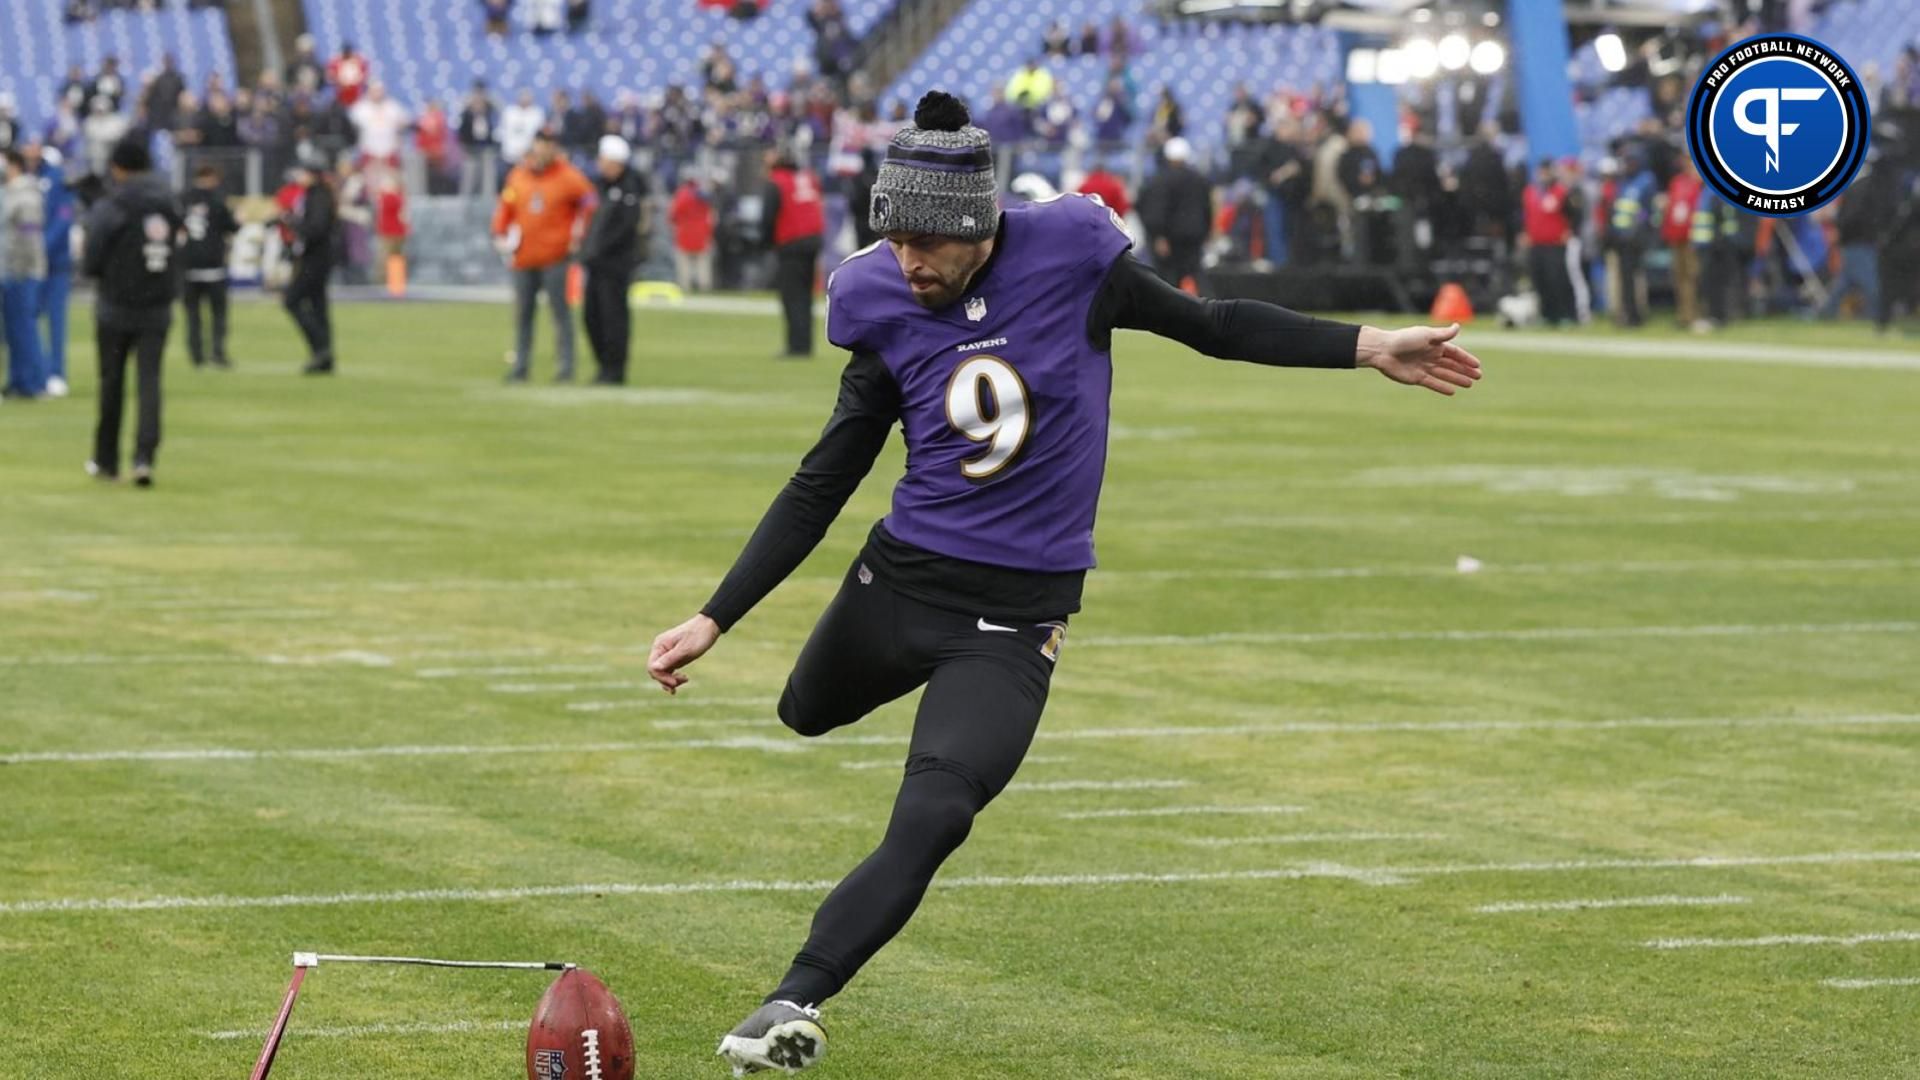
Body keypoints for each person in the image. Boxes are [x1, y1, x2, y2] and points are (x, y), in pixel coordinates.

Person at [642, 90, 1482, 1076]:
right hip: (898, 583)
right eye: (895, 239)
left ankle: (789, 999)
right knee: (804, 712)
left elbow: (1209, 323)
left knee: (938, 811)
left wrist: (1363, 344)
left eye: (929, 243)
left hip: (1013, 617)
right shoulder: (875, 297)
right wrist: (715, 616)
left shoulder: (1076, 254)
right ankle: (819, 708)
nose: (911, 263)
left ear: (981, 226)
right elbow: (824, 478)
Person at [82, 140, 181, 486]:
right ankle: (144, 458)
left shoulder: (115, 204)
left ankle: (106, 459)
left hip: (116, 306)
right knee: (149, 381)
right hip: (157, 306)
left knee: (112, 382)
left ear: (118, 167)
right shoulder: (168, 202)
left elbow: (93, 254)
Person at [491, 129, 594, 382]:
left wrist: (578, 236)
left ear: (554, 149)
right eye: (539, 145)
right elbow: (506, 206)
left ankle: (565, 368)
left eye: (547, 145)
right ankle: (520, 367)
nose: (541, 151)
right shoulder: (518, 175)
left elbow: (590, 203)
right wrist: (500, 232)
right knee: (523, 315)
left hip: (555, 256)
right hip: (523, 256)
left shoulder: (569, 177)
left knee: (560, 314)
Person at [578, 135, 647, 386]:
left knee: (613, 317)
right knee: (591, 316)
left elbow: (625, 227)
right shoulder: (598, 188)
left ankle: (614, 369)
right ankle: (603, 366)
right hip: (595, 263)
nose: (599, 163)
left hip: (615, 264)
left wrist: (599, 248)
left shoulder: (629, 188)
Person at [763, 144, 824, 359]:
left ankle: (796, 346)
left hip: (791, 242)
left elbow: (768, 216)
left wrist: (768, 243)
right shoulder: (808, 177)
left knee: (792, 296)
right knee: (806, 296)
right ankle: (805, 344)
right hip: (813, 239)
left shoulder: (776, 182)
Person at [282, 153, 339, 373]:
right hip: (317, 257)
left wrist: (293, 223)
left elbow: (315, 228)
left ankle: (320, 348)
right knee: (318, 306)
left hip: (315, 258)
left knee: (292, 300)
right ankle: (324, 356)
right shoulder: (317, 194)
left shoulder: (318, 196)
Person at [179, 162, 239, 369]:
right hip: (213, 266)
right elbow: (231, 227)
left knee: (193, 315)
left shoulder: (182, 199)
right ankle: (218, 353)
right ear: (212, 177)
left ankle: (196, 355)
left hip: (188, 267)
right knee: (218, 314)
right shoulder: (217, 200)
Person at [1135, 136, 1211, 290]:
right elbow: (1207, 210)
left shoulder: (1159, 179)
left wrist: (1158, 236)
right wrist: (1205, 233)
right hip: (1194, 239)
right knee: (1198, 278)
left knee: (1168, 284)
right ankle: (1211, 311)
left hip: (1169, 241)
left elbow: (1153, 209)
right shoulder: (1199, 179)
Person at [2, 148, 48, 400]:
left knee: (26, 328)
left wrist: (24, 268)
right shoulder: (8, 193)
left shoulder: (26, 196)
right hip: (9, 271)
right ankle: (17, 380)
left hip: (23, 271)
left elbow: (30, 237)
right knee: (13, 331)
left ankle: (32, 382)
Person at [35, 145, 79, 397]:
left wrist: (42, 246)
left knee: (55, 319)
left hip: (56, 262)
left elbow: (63, 219)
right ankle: (41, 370)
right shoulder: (38, 181)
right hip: (38, 260)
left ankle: (55, 372)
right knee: (30, 319)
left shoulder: (60, 184)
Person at [1522, 159, 1576, 327]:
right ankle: (1547, 315)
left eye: (1547, 172)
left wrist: (1569, 231)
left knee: (1558, 279)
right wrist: (1525, 233)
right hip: (1536, 243)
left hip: (1555, 243)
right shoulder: (1531, 192)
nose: (1543, 175)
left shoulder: (1561, 192)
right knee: (1540, 279)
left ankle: (1566, 315)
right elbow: (1525, 215)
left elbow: (1573, 214)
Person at [1662, 155, 1703, 329]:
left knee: (1693, 276)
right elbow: (1670, 207)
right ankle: (1683, 314)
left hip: (1693, 237)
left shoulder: (1701, 183)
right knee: (1679, 277)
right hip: (1676, 236)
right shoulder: (1677, 182)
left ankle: (1695, 314)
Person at [668, 174, 715, 293]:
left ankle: (685, 286)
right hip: (702, 232)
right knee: (702, 262)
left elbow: (674, 214)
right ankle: (704, 286)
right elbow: (711, 215)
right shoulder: (703, 194)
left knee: (684, 261)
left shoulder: (682, 194)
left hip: (685, 231)